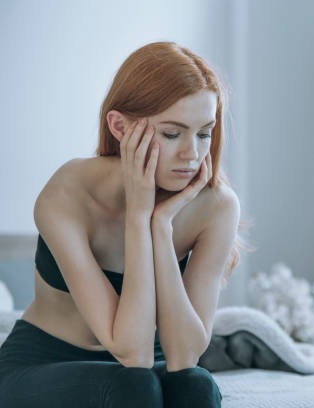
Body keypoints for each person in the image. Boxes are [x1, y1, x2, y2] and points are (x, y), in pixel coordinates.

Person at [0, 41, 251, 407]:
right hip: (45, 363)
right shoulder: (68, 194)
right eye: (171, 133)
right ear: (119, 126)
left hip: (147, 369)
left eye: (203, 133)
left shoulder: (217, 206)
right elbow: (134, 354)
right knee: (135, 386)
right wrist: (138, 215)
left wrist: (161, 226)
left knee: (196, 385)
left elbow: (184, 357)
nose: (192, 154)